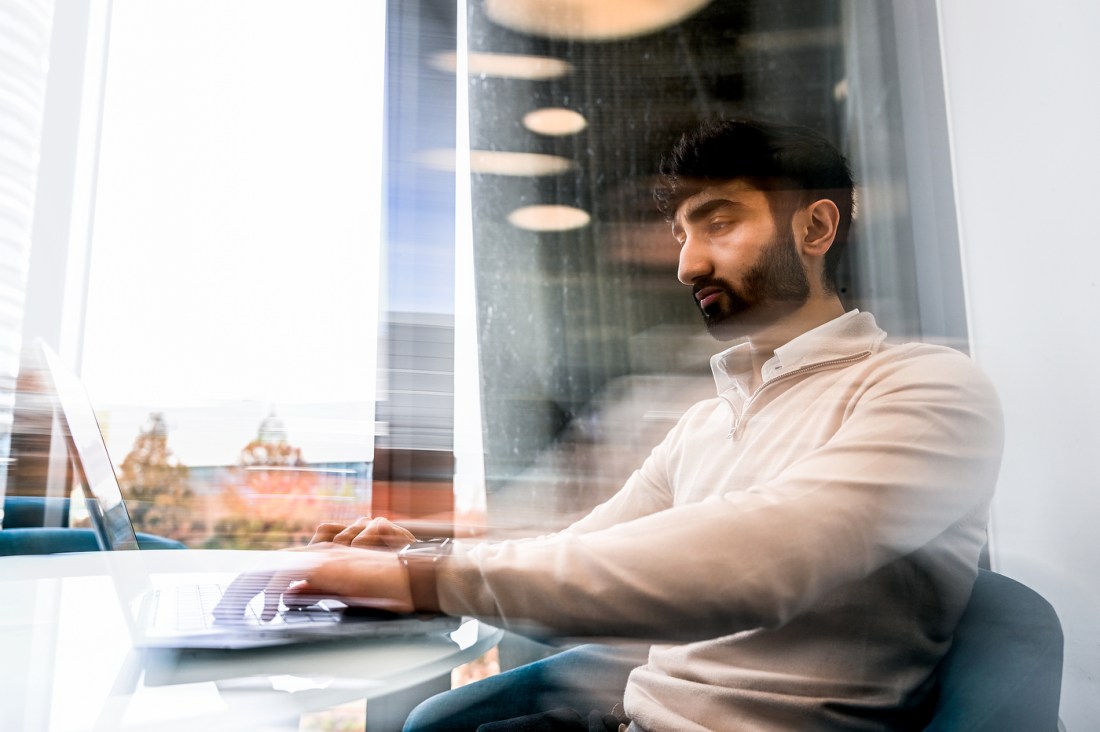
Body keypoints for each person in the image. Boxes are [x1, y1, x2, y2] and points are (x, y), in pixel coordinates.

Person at [231, 119, 1004, 731]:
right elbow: (587, 549)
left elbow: (764, 562)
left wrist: (426, 580)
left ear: (815, 227)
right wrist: (429, 550)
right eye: (679, 236)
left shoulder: (927, 388)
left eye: (718, 224)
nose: (686, 265)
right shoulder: (708, 421)